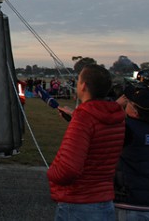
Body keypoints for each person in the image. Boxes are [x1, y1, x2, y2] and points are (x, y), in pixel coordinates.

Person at [47, 64, 125, 220]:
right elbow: (98, 136)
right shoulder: (116, 115)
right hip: (105, 202)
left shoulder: (84, 117)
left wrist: (51, 173)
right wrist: (75, 117)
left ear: (83, 86)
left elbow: (68, 169)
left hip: (78, 203)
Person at [114, 84, 149, 220]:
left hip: (135, 202)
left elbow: (98, 126)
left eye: (129, 103)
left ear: (135, 111)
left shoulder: (128, 129)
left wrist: (115, 106)